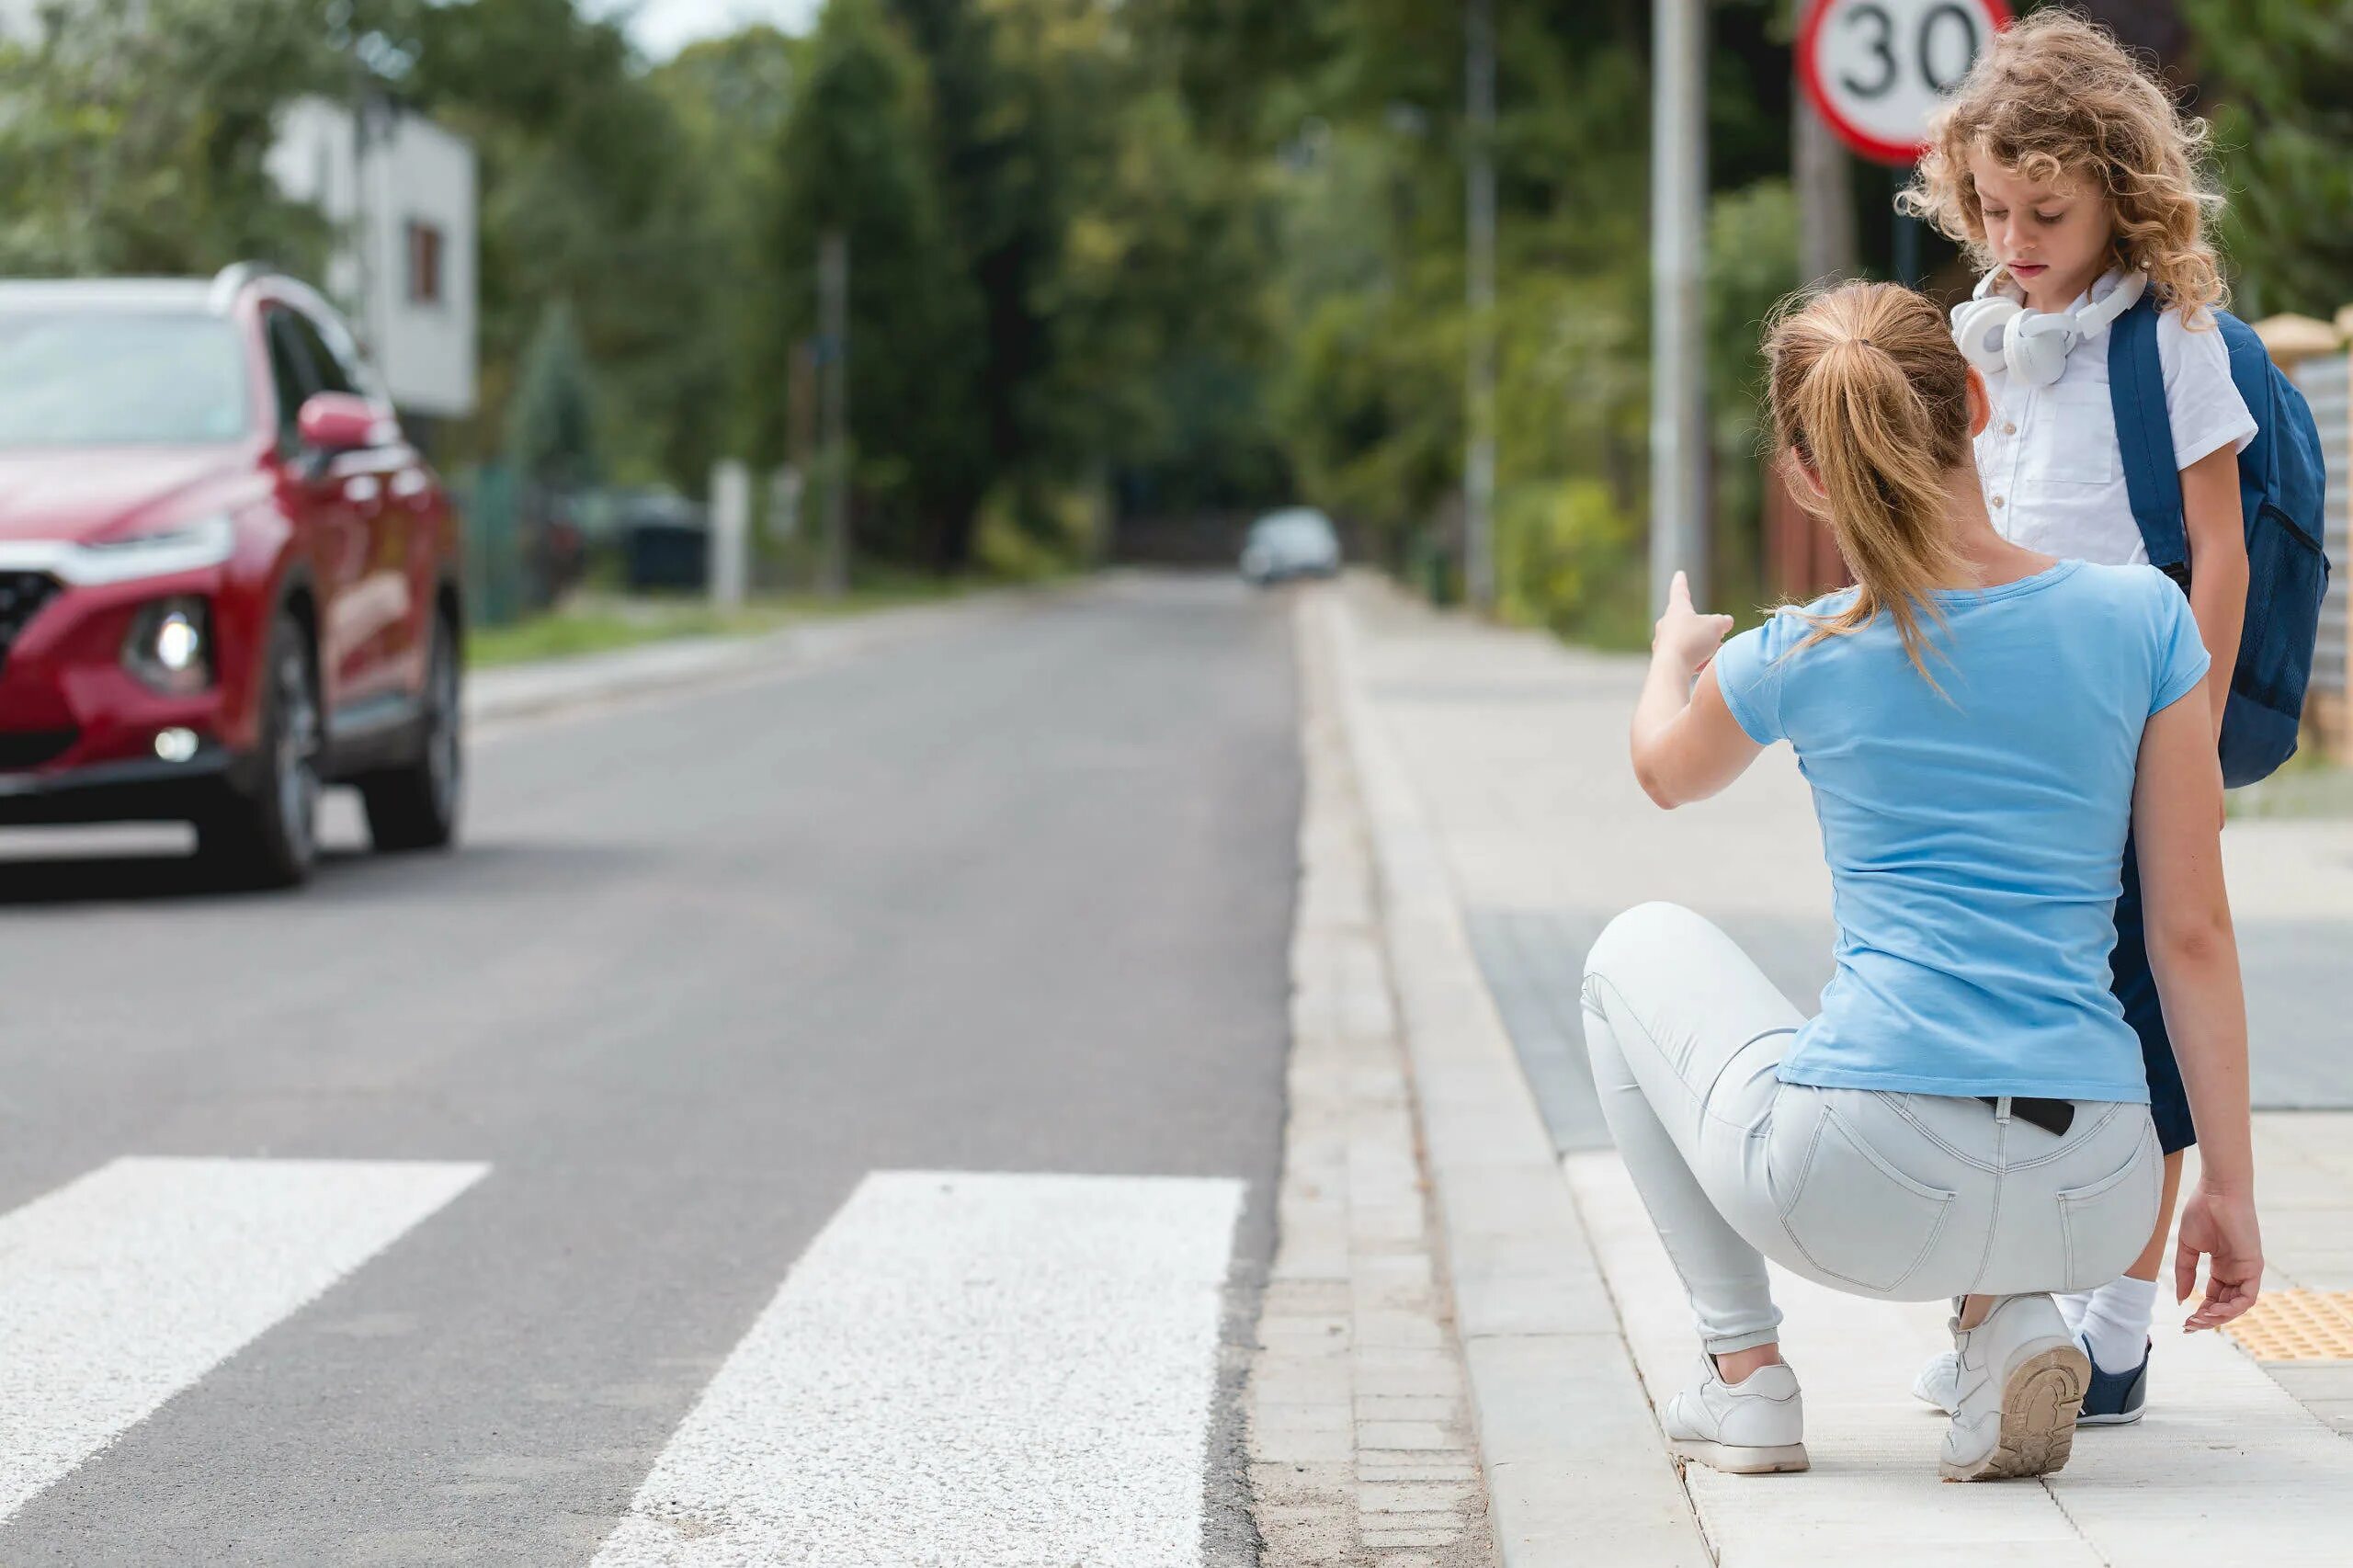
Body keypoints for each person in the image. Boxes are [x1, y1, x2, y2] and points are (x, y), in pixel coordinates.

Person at [1584, 279, 2262, 1483]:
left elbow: (1660, 775)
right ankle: (2003, 1322)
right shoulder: (2144, 618)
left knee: (1627, 953)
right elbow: (2192, 933)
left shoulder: (1797, 651)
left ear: (1804, 472)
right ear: (1981, 404)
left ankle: (1747, 1378)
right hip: (2099, 1187)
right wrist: (2229, 1186)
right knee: (2026, 1060)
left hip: (1863, 1180)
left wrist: (1669, 658)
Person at [1897, 7, 2256, 1425]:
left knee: (2139, 1016)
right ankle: (2002, 1313)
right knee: (2014, 1006)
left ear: (2121, 188)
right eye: (1991, 206)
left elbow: (2216, 548)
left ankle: (2112, 1328)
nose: (2017, 233)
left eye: (2047, 208)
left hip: (2137, 723)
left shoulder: (2166, 340)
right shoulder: (1982, 334)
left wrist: (2203, 736)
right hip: (2011, 736)